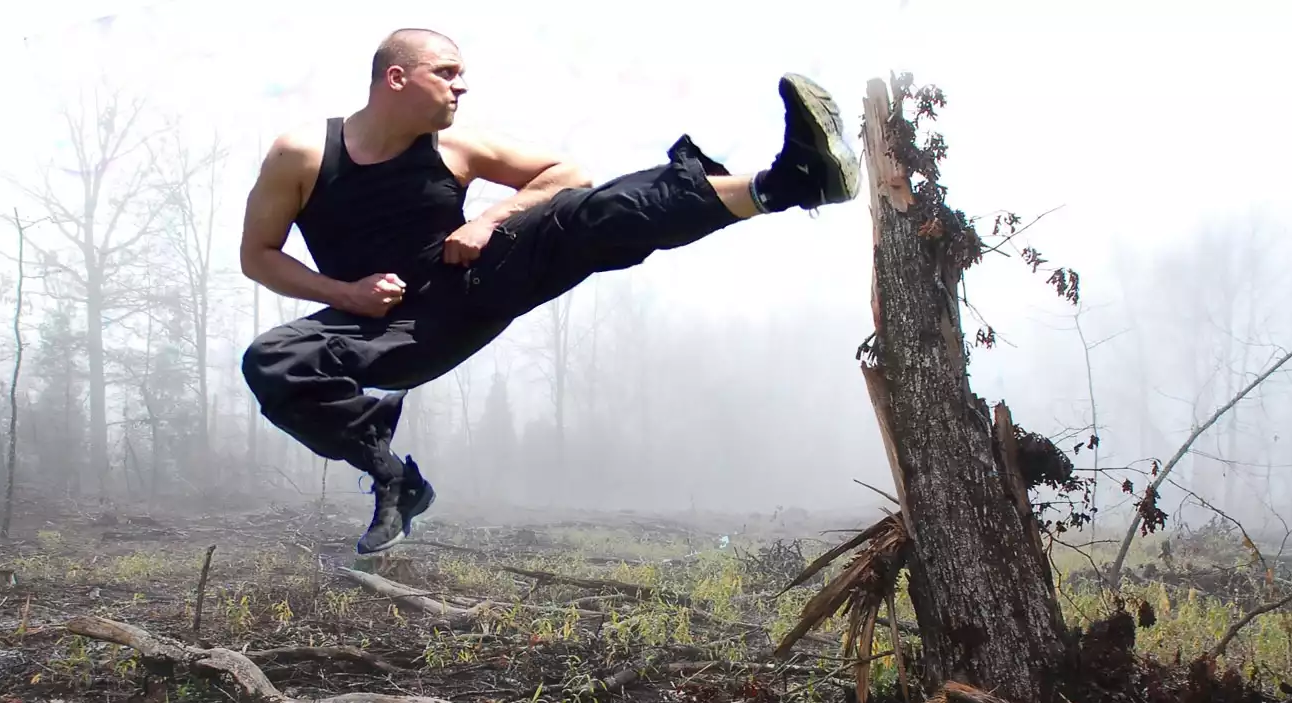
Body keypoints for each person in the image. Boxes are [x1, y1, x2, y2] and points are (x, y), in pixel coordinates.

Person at [238, 28, 859, 554]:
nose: (461, 86)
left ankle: (790, 182)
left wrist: (487, 220)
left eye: (462, 75)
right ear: (397, 78)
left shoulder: (456, 147)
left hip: (473, 283)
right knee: (272, 360)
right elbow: (257, 256)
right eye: (447, 73)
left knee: (583, 215)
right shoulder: (302, 155)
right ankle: (394, 479)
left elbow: (568, 174)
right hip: (382, 327)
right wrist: (345, 294)